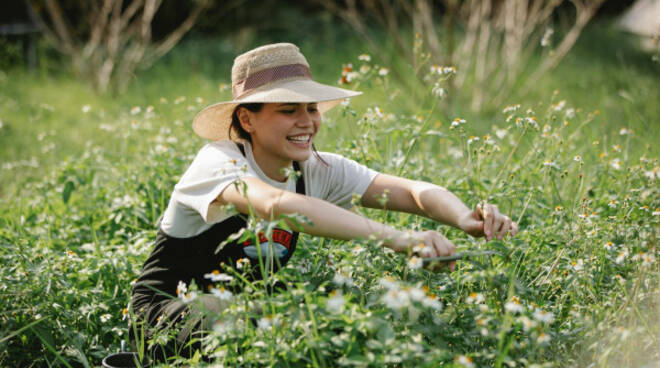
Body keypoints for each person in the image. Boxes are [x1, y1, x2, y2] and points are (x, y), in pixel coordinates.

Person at [128, 43, 518, 361]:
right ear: (247, 120)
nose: (307, 122)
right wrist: (398, 239)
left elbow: (413, 191)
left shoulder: (313, 169)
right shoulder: (219, 161)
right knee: (246, 320)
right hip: (163, 316)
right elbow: (277, 205)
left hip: (250, 318)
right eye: (288, 110)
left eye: (311, 109)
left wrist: (465, 217)